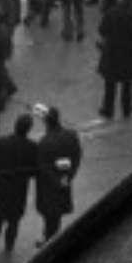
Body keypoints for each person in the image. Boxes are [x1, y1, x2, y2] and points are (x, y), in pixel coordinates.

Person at [0, 112, 37, 254]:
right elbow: (34, 171)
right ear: (29, 129)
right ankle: (9, 245)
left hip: (0, 187)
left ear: (15, 125)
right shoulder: (32, 147)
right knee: (14, 220)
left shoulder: (0, 143)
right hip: (19, 190)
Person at [32, 103, 81, 245]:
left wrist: (56, 180)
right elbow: (76, 158)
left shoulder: (45, 143)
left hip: (49, 185)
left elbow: (43, 166)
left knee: (50, 213)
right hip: (65, 180)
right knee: (57, 212)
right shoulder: (71, 136)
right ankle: (51, 236)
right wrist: (68, 177)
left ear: (46, 122)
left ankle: (49, 239)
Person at [97, 0, 132, 122]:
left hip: (112, 52)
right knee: (127, 83)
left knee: (110, 84)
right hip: (130, 52)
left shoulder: (112, 12)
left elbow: (102, 30)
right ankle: (127, 109)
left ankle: (108, 109)